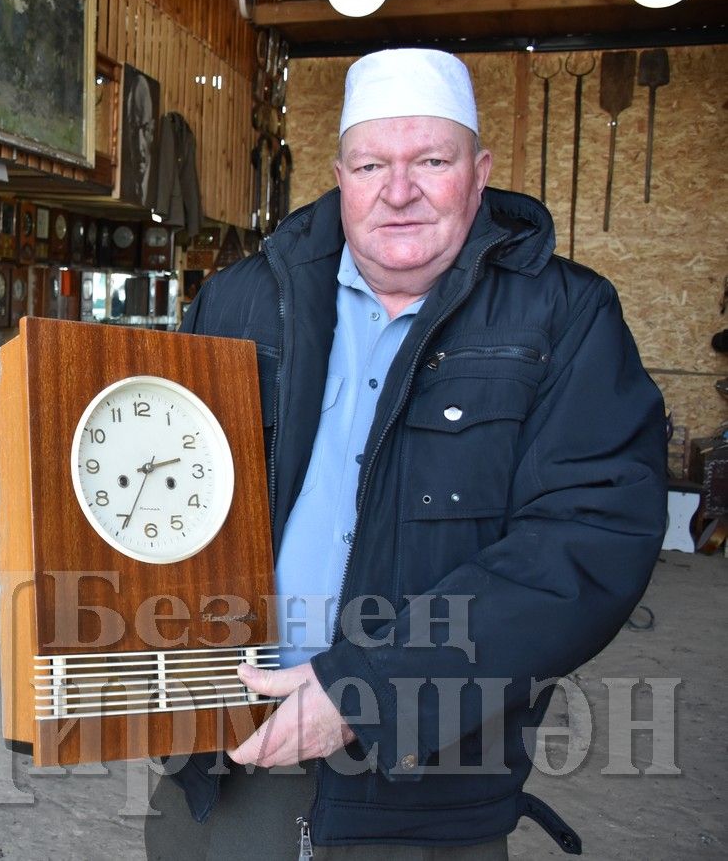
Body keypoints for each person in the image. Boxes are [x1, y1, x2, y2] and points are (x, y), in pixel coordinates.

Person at [145, 49, 666, 858]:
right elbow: (164, 484)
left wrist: (365, 691)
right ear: (340, 173)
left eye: (430, 159)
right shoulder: (243, 297)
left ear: (479, 170)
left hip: (424, 777)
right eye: (370, 164)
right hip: (226, 744)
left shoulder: (564, 315)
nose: (398, 191)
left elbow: (586, 542)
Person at [122, 69, 157, 207]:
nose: (139, 143)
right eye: (133, 129)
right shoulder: (124, 185)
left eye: (145, 128)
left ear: (153, 130)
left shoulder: (159, 187)